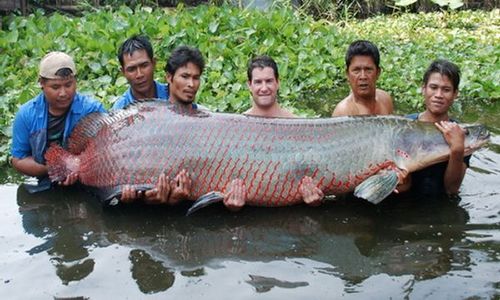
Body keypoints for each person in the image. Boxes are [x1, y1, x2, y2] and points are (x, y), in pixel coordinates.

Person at [223, 55, 324, 211]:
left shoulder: (298, 125)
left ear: (278, 83)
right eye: (258, 82)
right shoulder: (238, 127)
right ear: (249, 85)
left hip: (292, 217)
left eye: (269, 81)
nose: (264, 88)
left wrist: (315, 196)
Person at [119, 46, 206, 205]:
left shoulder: (204, 117)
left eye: (196, 78)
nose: (191, 84)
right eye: (185, 77)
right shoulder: (134, 115)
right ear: (169, 77)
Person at [11, 51, 105, 192]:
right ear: (42, 83)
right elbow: (18, 160)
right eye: (55, 87)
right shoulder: (26, 115)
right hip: (45, 178)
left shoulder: (93, 110)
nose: (63, 93)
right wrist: (55, 169)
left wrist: (78, 168)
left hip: (88, 178)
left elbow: (105, 151)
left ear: (76, 81)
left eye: (68, 85)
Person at [401, 59, 469, 196]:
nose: (438, 95)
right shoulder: (404, 126)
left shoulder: (460, 133)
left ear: (455, 94)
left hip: (441, 206)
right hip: (404, 204)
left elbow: (451, 189)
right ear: (423, 89)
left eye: (446, 90)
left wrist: (457, 150)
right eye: (433, 87)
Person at [332, 40, 393, 116]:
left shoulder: (385, 99)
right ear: (347, 74)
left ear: (378, 73)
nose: (363, 76)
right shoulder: (343, 112)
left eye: (368, 70)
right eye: (356, 70)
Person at [112, 35, 169, 110]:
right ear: (123, 72)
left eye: (144, 66)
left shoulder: (173, 96)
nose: (139, 75)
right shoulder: (119, 110)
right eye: (132, 69)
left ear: (154, 63)